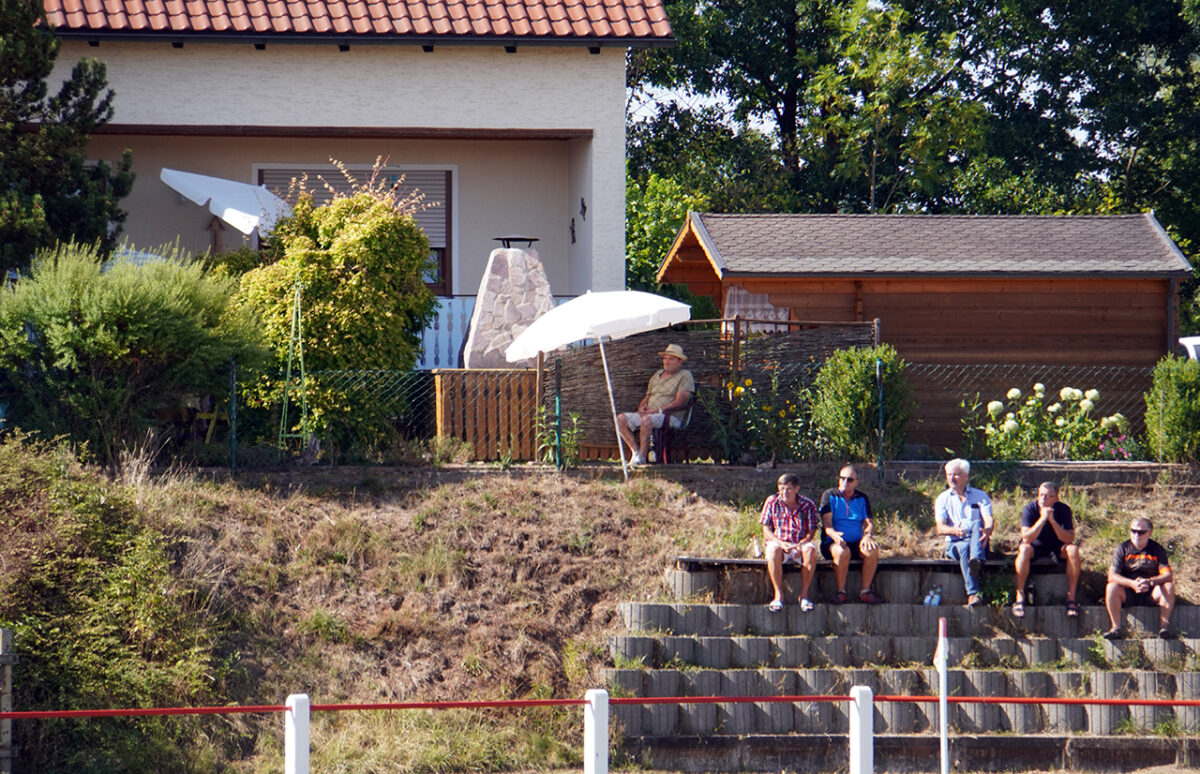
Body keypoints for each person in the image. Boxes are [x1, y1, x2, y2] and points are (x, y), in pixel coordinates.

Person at [616, 344, 695, 466]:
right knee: (620, 419)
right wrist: (642, 407)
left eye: (671, 359)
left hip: (671, 416)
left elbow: (680, 402)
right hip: (650, 413)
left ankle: (642, 457)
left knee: (646, 420)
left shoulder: (685, 375)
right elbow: (648, 396)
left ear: (680, 362)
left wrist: (658, 410)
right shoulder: (657, 375)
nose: (666, 362)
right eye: (665, 358)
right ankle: (635, 452)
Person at [818, 464, 884, 604]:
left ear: (856, 482)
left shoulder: (862, 498)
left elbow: (869, 523)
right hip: (833, 543)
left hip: (856, 543)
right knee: (842, 551)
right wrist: (835, 536)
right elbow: (827, 525)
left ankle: (865, 592)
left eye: (849, 480)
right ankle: (840, 592)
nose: (845, 482)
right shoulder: (829, 495)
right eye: (842, 478)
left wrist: (868, 536)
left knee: (872, 550)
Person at [1104, 517, 1175, 640]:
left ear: (1150, 533)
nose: (1136, 535)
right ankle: (1116, 628)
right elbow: (1112, 576)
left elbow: (1168, 575)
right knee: (1111, 587)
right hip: (1128, 592)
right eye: (1133, 531)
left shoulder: (1157, 549)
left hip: (1151, 591)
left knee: (1169, 586)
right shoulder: (1123, 548)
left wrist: (1150, 582)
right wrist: (1131, 584)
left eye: (1141, 532)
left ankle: (1164, 628)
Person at [934, 458, 993, 607]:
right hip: (955, 543)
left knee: (977, 523)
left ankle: (975, 561)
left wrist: (988, 530)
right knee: (964, 547)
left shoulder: (980, 496)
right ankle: (973, 591)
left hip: (978, 541)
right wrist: (954, 530)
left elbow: (988, 519)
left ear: (965, 475)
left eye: (955, 474)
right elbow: (940, 528)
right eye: (948, 474)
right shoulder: (943, 499)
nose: (951, 478)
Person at [760, 473, 821, 612]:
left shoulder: (808, 504)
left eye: (788, 489)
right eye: (781, 488)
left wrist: (800, 545)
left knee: (810, 550)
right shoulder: (772, 501)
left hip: (800, 543)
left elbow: (811, 531)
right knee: (773, 550)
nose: (784, 492)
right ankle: (778, 595)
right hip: (779, 542)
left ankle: (804, 596)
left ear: (796, 489)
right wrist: (781, 543)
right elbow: (766, 531)